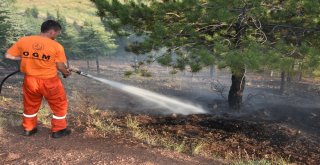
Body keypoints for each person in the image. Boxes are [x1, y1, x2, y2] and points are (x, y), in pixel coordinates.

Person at [4, 20, 72, 138]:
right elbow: (60, 66)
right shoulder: (56, 46)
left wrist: (28, 57)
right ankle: (58, 130)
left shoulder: (24, 40)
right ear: (51, 32)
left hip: (30, 80)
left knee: (30, 104)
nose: (56, 36)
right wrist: (66, 73)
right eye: (57, 33)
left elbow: (8, 55)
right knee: (59, 104)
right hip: (49, 81)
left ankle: (29, 129)